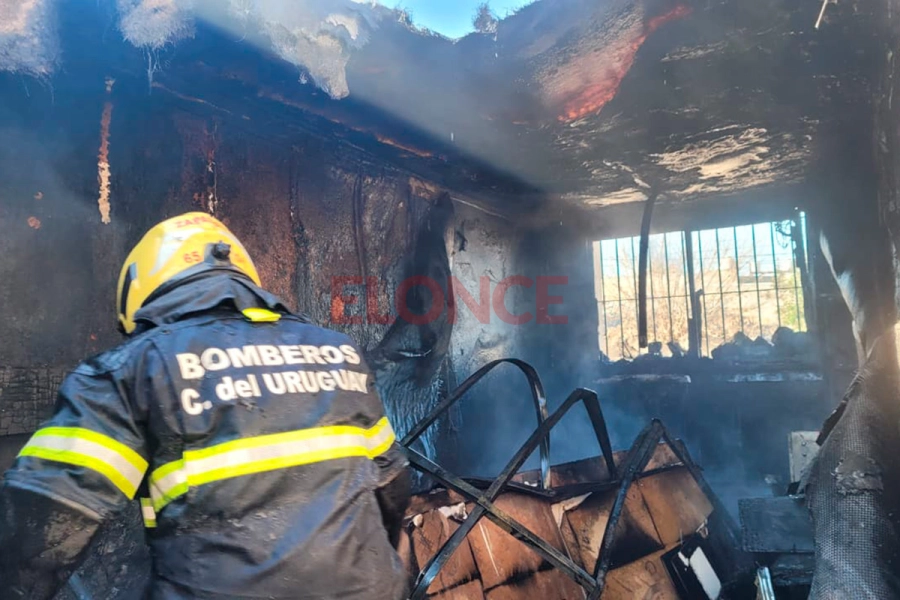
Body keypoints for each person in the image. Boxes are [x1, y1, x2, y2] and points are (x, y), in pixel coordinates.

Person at [0, 212, 411, 599]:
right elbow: (392, 490)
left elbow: (42, 527)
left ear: (142, 290)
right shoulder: (337, 352)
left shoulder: (131, 368)